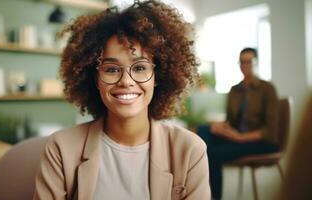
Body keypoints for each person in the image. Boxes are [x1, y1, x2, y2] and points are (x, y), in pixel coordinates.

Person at [33, 1, 210, 199]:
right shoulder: (61, 148)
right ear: (95, 79)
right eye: (111, 69)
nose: (126, 81)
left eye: (140, 68)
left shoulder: (190, 150)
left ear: (158, 76)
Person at [197, 47, 280, 200]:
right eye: (241, 62)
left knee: (213, 153)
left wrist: (239, 138)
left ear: (256, 63)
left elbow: (270, 130)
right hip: (238, 136)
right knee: (203, 131)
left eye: (248, 61)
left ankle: (214, 197)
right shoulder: (235, 90)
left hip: (261, 141)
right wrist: (222, 127)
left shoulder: (267, 89)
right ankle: (199, 189)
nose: (245, 65)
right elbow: (232, 121)